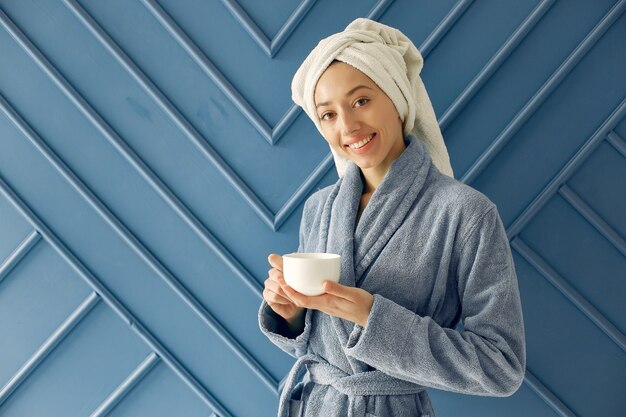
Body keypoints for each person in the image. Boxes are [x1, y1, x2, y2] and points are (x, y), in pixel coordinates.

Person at [258, 17, 526, 417]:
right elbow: (318, 339)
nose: (348, 125)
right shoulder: (320, 208)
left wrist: (371, 317)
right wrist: (291, 313)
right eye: (327, 114)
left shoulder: (465, 213)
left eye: (361, 101)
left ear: (397, 98)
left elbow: (501, 367)